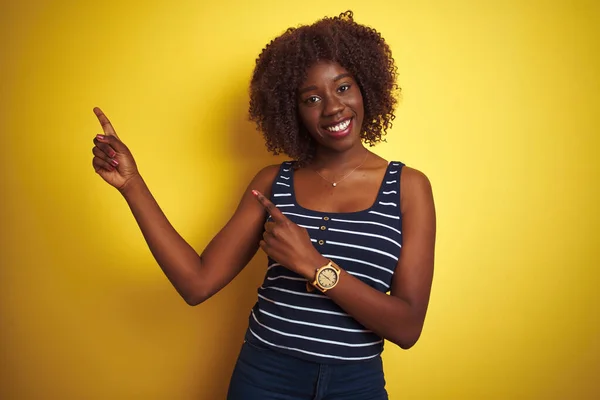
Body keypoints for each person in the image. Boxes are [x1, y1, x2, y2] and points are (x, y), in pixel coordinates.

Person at [91, 10, 436, 400]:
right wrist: (132, 186)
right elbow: (196, 283)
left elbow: (407, 328)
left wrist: (316, 267)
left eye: (343, 88)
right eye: (311, 98)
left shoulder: (408, 187)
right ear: (293, 111)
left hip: (355, 384)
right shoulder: (273, 183)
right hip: (265, 377)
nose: (332, 108)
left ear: (366, 88)